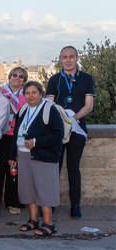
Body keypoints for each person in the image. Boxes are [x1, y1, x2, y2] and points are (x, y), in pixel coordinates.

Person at [46, 45, 95, 219]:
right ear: (60, 59)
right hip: (57, 131)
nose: (68, 60)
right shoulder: (54, 80)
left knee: (73, 168)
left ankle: (75, 205)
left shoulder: (87, 78)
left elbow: (89, 105)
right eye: (64, 57)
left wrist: (72, 119)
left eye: (71, 57)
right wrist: (62, 120)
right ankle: (50, 203)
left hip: (78, 129)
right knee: (54, 168)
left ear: (77, 58)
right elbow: (49, 104)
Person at [9, 81, 64, 236]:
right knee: (29, 189)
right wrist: (12, 155)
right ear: (24, 95)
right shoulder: (24, 109)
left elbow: (57, 134)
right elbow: (16, 133)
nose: (31, 96)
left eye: (34, 92)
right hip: (23, 155)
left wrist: (36, 142)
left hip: (42, 155)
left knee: (44, 189)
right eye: (27, 93)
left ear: (41, 94)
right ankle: (33, 220)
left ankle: (49, 223)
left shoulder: (49, 109)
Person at [0, 67, 28, 214]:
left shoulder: (27, 95)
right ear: (9, 76)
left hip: (19, 136)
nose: (17, 78)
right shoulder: (0, 93)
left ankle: (13, 202)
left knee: (15, 169)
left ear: (24, 80)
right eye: (15, 75)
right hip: (1, 134)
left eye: (21, 76)